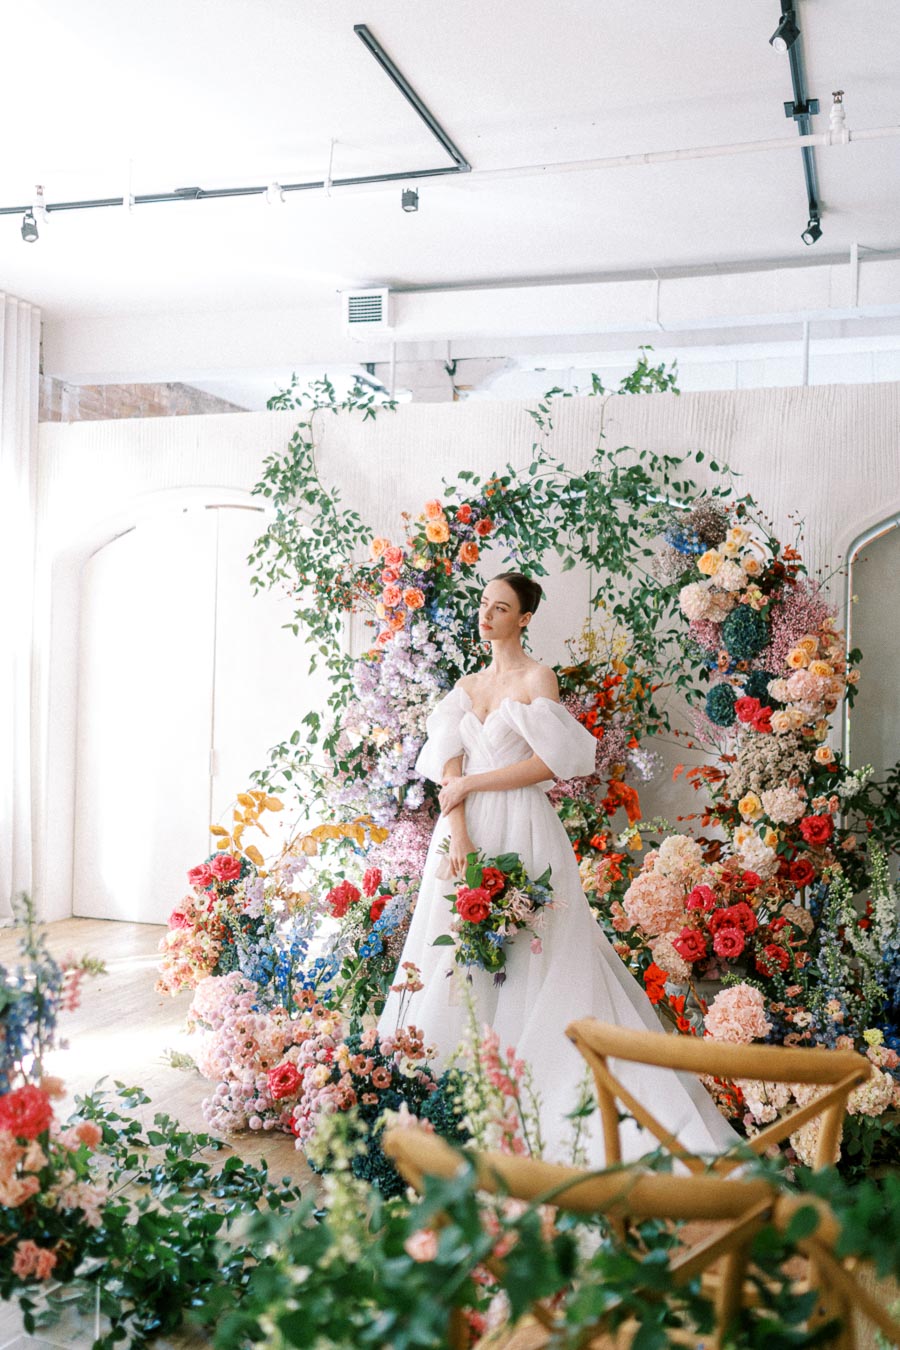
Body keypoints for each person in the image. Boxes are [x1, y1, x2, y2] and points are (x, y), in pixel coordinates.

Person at [378, 572, 736, 1160]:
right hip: (463, 828)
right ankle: (455, 1102)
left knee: (527, 951)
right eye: (483, 606)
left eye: (501, 608)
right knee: (453, 949)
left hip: (522, 825)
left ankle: (539, 1096)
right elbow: (447, 769)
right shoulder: (465, 685)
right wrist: (460, 831)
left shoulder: (537, 678)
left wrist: (472, 781)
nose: (486, 616)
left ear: (524, 619)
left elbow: (552, 763)